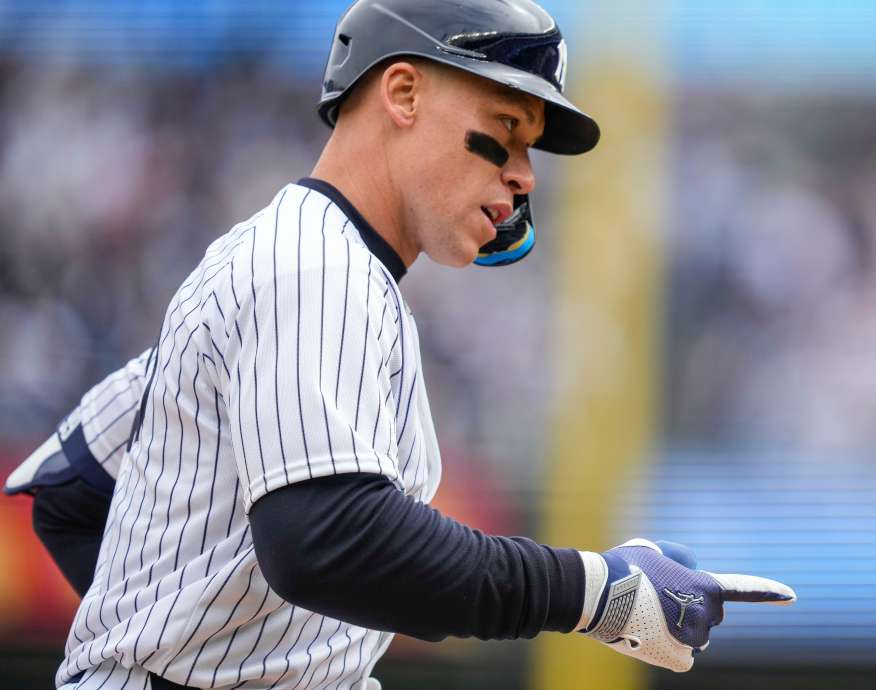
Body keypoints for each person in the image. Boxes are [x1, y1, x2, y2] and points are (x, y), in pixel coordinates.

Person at [5, 1, 795, 688]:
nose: (525, 176)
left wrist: (176, 629)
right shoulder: (312, 265)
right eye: (504, 133)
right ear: (405, 92)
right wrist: (594, 593)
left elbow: (72, 482)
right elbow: (332, 540)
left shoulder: (312, 266)